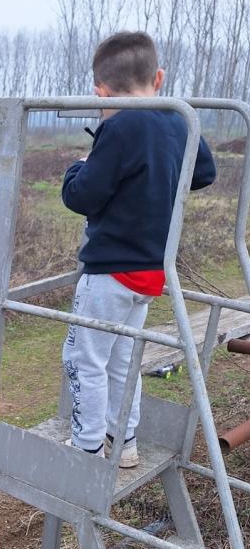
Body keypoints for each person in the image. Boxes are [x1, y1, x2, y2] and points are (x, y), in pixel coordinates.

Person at [61, 31, 216, 467]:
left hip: (109, 270)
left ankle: (88, 448)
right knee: (124, 359)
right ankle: (123, 441)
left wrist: (78, 167)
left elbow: (82, 196)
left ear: (101, 92)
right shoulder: (178, 118)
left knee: (84, 359)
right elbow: (204, 172)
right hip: (150, 271)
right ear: (158, 78)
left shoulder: (119, 126)